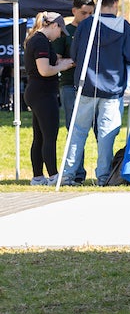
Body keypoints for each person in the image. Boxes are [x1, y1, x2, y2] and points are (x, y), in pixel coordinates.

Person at [64, 0, 130, 185]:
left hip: (85, 85)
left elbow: (74, 54)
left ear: (98, 3)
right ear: (115, 3)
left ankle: (68, 173)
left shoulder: (86, 24)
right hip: (112, 88)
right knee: (107, 132)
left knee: (77, 131)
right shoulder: (123, 26)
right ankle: (104, 175)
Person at [25, 12, 74, 185]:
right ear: (54, 26)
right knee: (49, 135)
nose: (60, 35)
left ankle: (38, 176)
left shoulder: (37, 39)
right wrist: (61, 66)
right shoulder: (41, 42)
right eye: (60, 31)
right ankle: (53, 176)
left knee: (39, 136)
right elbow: (44, 70)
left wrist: (62, 64)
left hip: (36, 92)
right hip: (43, 93)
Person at [51, 0, 94, 183]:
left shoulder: (94, 30)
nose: (87, 16)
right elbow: (57, 60)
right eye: (84, 13)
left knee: (93, 128)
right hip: (69, 85)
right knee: (74, 128)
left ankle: (87, 172)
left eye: (91, 13)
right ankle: (76, 172)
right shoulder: (66, 31)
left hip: (91, 86)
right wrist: (75, 62)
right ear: (74, 10)